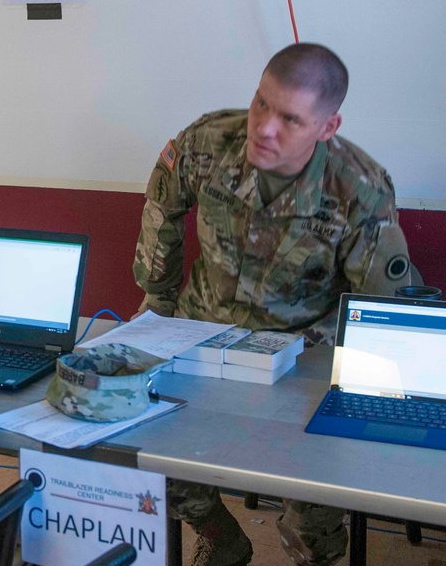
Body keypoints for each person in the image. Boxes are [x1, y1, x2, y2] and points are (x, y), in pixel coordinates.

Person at [133, 43, 413, 566]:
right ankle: (223, 538)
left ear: (326, 128)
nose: (263, 128)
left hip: (300, 354)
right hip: (202, 330)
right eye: (261, 103)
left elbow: (382, 306)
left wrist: (364, 398)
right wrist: (156, 303)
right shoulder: (207, 142)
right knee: (151, 460)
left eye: (289, 118)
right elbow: (161, 209)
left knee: (314, 511)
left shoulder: (358, 189)